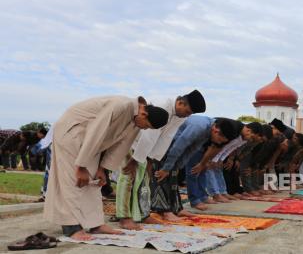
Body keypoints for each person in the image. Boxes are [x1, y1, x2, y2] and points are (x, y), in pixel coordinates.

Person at [44, 95, 169, 241]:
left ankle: (95, 224)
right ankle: (71, 227)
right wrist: (81, 165)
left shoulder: (136, 120)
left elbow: (121, 146)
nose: (144, 128)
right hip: (72, 131)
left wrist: (102, 168)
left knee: (94, 181)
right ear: (143, 113)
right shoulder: (121, 105)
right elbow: (96, 131)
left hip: (91, 142)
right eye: (146, 125)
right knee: (72, 178)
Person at [116, 90, 206, 230]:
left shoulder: (180, 115)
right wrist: (135, 159)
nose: (188, 115)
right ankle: (123, 217)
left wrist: (152, 159)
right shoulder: (162, 104)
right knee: (128, 177)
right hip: (131, 140)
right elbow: (149, 134)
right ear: (180, 102)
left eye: (190, 114)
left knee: (144, 180)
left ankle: (142, 215)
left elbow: (167, 137)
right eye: (188, 111)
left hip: (145, 149)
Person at [150, 116, 235, 218]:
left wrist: (178, 165)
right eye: (220, 140)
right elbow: (178, 146)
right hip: (163, 147)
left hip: (172, 149)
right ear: (216, 130)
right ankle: (164, 211)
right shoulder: (199, 126)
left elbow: (192, 149)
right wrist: (167, 168)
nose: (219, 143)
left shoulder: (208, 130)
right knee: (162, 177)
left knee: (173, 180)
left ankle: (177, 208)